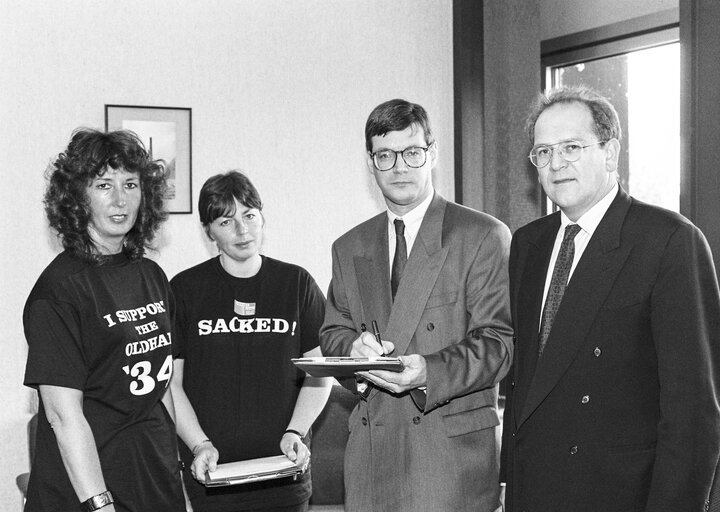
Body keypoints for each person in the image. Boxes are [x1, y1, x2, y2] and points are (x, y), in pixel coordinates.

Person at [500, 86, 720, 511]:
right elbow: (525, 383)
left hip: (620, 494)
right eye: (543, 152)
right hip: (536, 489)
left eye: (571, 147)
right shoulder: (528, 245)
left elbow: (693, 412)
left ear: (610, 152)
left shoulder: (668, 241)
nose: (556, 164)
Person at [320, 99, 513, 512]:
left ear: (433, 154)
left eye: (412, 153)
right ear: (370, 163)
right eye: (385, 156)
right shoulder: (348, 247)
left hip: (447, 461)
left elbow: (499, 344)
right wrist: (352, 351)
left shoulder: (481, 236)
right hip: (372, 458)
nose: (399, 168)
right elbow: (333, 332)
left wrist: (430, 372)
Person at [22, 128, 186, 512]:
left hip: (152, 477)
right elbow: (64, 417)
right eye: (103, 185)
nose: (120, 199)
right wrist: (101, 504)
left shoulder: (151, 276)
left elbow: (162, 389)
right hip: (88, 489)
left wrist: (176, 476)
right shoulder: (59, 291)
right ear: (78, 196)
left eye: (130, 184)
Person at [169, 170, 332, 512]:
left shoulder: (296, 284)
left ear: (262, 218)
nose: (243, 231)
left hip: (284, 469)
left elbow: (320, 373)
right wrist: (200, 445)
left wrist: (296, 432)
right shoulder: (185, 290)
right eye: (226, 222)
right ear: (208, 231)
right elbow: (172, 386)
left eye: (249, 216)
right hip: (213, 473)